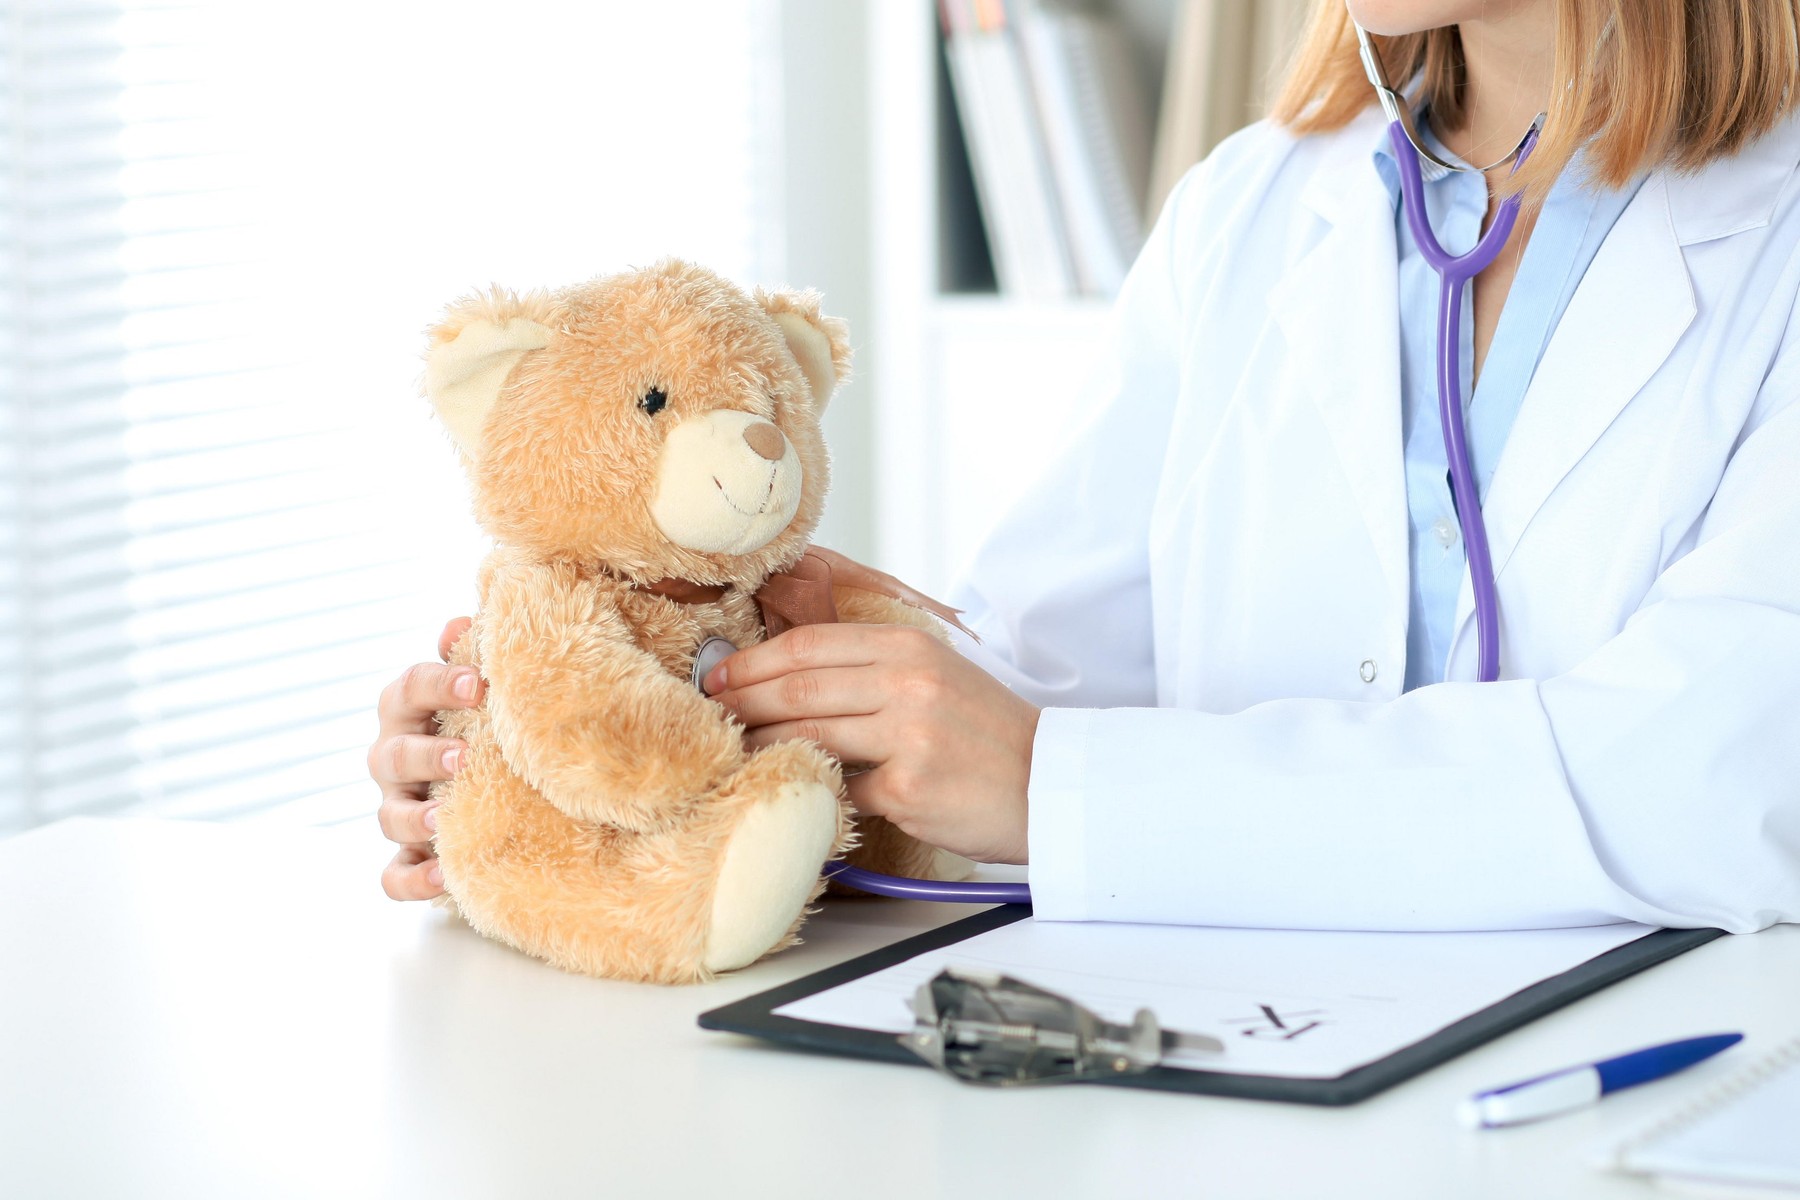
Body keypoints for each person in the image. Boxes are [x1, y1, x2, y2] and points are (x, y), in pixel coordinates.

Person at [371, 0, 1800, 932]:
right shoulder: (1255, 206)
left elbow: (1714, 782)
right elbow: (1040, 680)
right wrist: (618, 747)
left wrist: (1055, 778)